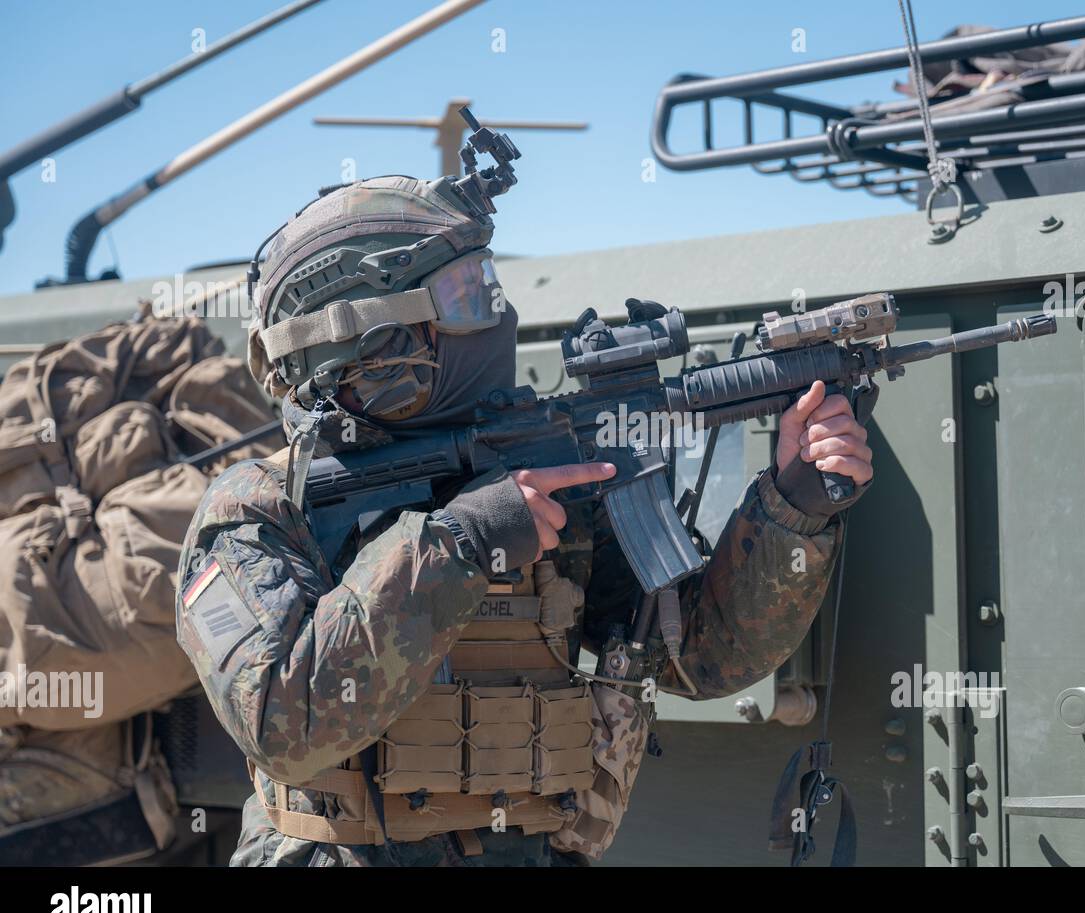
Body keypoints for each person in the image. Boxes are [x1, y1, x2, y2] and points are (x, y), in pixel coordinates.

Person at [175, 170, 873, 866]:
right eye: (466, 296)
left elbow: (701, 660)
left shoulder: (541, 477)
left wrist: (793, 504)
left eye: (489, 286)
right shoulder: (260, 509)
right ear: (376, 342)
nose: (497, 314)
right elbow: (282, 725)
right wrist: (461, 541)